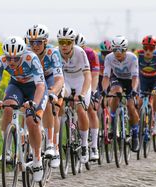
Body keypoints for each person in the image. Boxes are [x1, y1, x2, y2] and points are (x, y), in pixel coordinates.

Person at [0, 36, 47, 182]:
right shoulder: (1, 60)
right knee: (7, 106)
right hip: (16, 86)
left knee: (31, 121)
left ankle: (37, 159)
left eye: (16, 59)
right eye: (9, 58)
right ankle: (7, 150)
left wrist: (34, 103)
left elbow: (41, 85)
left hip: (35, 88)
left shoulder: (31, 58)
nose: (12, 62)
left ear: (22, 55)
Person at [26, 24, 64, 168]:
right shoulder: (26, 53)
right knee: (27, 104)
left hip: (50, 79)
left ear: (45, 42)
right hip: (34, 81)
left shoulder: (53, 52)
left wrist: (53, 91)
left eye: (38, 42)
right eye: (32, 42)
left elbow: (59, 79)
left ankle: (51, 144)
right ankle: (26, 141)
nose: (35, 46)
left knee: (49, 102)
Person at [57, 27, 92, 164]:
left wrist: (82, 94)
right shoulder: (56, 52)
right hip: (65, 81)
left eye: (67, 42)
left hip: (80, 81)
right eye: (61, 42)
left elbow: (88, 75)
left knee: (80, 108)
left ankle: (84, 145)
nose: (64, 45)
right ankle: (57, 141)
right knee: (58, 103)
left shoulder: (80, 52)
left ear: (73, 43)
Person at [101, 35, 140, 152]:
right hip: (117, 79)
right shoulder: (109, 58)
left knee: (130, 106)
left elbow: (135, 77)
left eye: (121, 50)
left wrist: (133, 90)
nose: (118, 53)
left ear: (126, 50)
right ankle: (113, 123)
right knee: (115, 92)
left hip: (130, 81)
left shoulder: (132, 58)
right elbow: (106, 76)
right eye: (115, 50)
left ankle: (135, 135)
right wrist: (104, 90)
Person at [75, 33, 101, 161]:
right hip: (73, 80)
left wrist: (93, 91)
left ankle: (94, 146)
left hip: (87, 80)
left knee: (90, 108)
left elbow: (95, 75)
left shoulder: (91, 54)